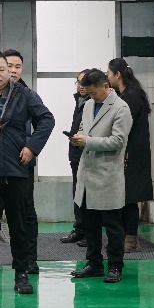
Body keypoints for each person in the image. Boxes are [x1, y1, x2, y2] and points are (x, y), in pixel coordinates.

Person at [0, 51, 55, 294]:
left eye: (2, 69)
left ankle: (21, 273)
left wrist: (32, 147)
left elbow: (46, 119)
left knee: (19, 224)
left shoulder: (23, 94)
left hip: (16, 168)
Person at [68, 69, 132, 283]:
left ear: (106, 86)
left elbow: (118, 141)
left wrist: (88, 141)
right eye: (88, 94)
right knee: (89, 224)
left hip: (108, 175)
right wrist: (78, 138)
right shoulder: (88, 105)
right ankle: (94, 263)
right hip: (87, 173)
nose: (91, 97)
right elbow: (85, 129)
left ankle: (115, 266)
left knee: (113, 226)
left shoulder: (121, 108)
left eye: (94, 93)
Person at [2, 49, 45, 273]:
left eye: (17, 66)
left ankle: (30, 259)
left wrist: (31, 147)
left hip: (21, 162)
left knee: (26, 211)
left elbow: (44, 121)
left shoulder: (28, 95)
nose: (13, 70)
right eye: (9, 66)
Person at [107, 58, 153, 252]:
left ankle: (130, 239)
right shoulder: (127, 94)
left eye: (109, 74)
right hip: (129, 152)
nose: (107, 77)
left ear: (118, 74)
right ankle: (125, 236)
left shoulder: (130, 97)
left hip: (131, 154)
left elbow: (123, 126)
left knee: (129, 198)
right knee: (124, 197)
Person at [60, 70, 89, 246]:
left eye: (84, 82)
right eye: (78, 82)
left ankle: (89, 232)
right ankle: (80, 229)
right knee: (77, 192)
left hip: (88, 153)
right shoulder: (79, 101)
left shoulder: (94, 103)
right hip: (76, 153)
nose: (80, 86)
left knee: (86, 195)